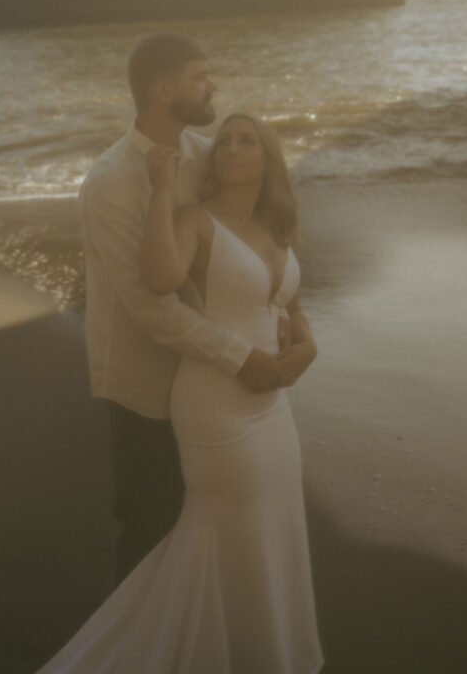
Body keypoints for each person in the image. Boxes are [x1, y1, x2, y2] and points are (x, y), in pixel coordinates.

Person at [36, 105, 323, 673]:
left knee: (275, 518)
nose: (232, 149)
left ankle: (267, 653)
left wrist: (308, 345)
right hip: (216, 400)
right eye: (225, 142)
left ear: (268, 157)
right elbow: (161, 281)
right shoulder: (195, 218)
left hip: (273, 404)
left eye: (247, 141)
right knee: (224, 525)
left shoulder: (275, 225)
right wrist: (163, 188)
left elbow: (288, 302)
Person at [78, 33, 306, 582]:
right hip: (146, 383)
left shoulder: (208, 157)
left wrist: (298, 326)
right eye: (201, 76)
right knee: (152, 523)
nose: (213, 86)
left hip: (215, 384)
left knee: (215, 520)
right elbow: (148, 305)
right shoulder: (111, 183)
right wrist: (242, 358)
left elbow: (259, 238)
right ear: (163, 91)